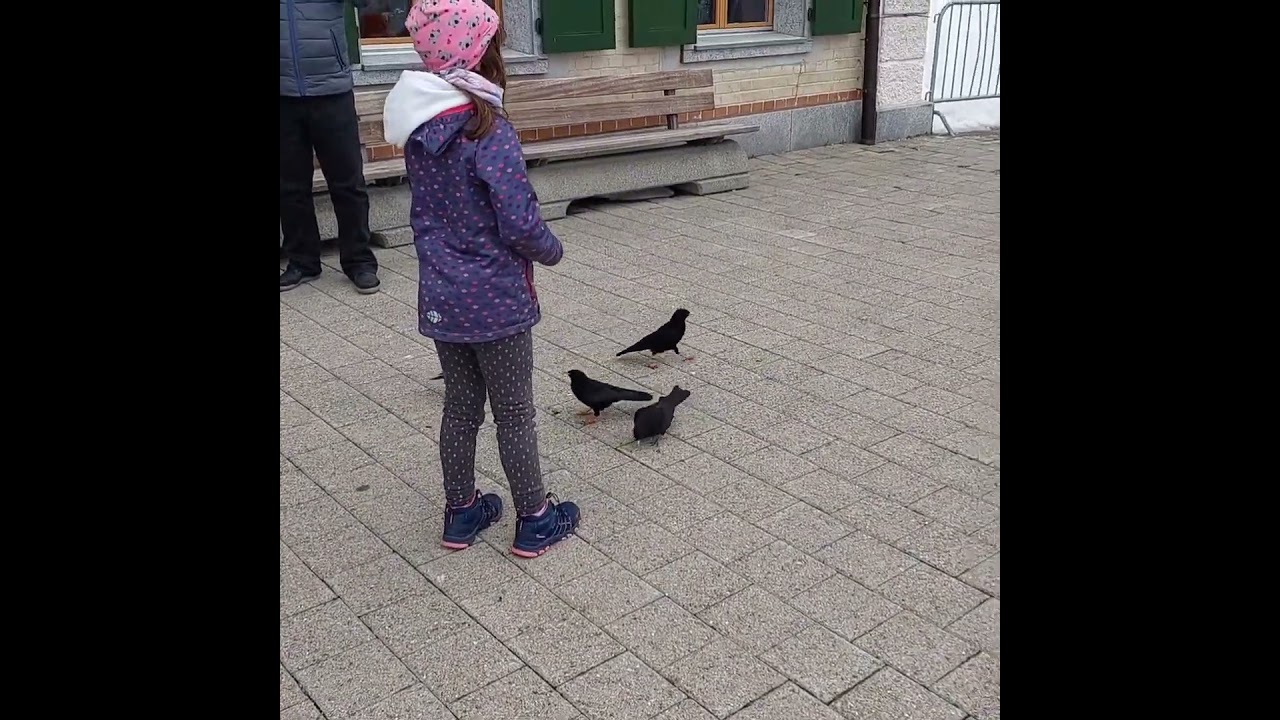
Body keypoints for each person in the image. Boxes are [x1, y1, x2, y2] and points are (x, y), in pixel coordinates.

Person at [381, 0, 580, 558]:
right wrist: (551, 250)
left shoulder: (421, 132)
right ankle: (536, 517)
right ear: (483, 55)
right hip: (497, 299)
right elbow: (519, 222)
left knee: (461, 409)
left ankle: (461, 511)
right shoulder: (488, 130)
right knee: (514, 413)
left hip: (444, 296)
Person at [279, 0, 381, 294]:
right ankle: (302, 262)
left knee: (348, 184)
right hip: (283, 95)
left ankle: (359, 261)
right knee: (290, 187)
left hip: (332, 91)